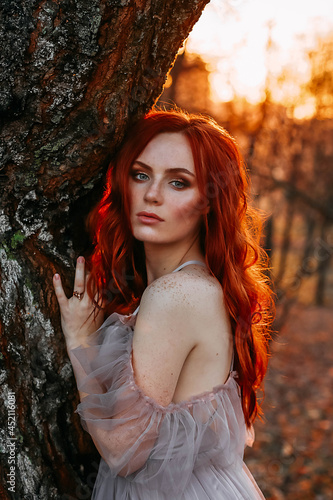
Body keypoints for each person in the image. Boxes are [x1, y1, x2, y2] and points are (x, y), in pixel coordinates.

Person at [53, 107, 275, 499]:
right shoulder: (196, 286)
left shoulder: (175, 295)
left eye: (178, 183)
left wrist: (79, 343)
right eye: (141, 175)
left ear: (208, 201)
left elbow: (125, 450)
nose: (151, 194)